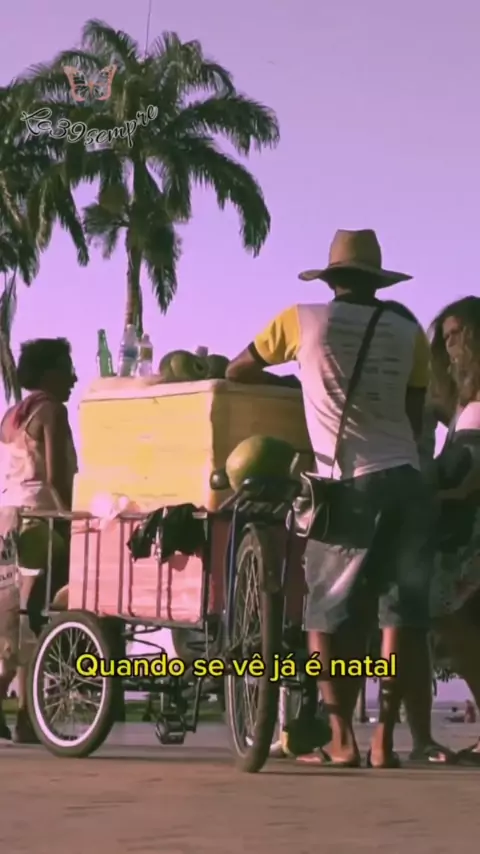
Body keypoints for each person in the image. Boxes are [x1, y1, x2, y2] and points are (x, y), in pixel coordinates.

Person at [226, 228, 434, 768]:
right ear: (377, 282)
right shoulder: (409, 330)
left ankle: (341, 738)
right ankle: (385, 741)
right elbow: (415, 420)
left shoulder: (300, 320)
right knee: (398, 613)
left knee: (325, 614)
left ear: (331, 278)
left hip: (348, 485)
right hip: (407, 481)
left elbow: (237, 369)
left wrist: (301, 382)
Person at [407, 296, 480, 765]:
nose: (451, 345)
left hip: (470, 527)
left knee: (446, 613)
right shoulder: (461, 401)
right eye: (446, 337)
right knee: (454, 618)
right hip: (459, 526)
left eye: (458, 335)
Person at [0, 338, 77, 742]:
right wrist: (69, 523)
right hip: (40, 520)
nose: (74, 378)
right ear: (48, 373)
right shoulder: (52, 411)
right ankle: (29, 717)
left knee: (10, 618)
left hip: (7, 518)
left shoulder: (11, 415)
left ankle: (17, 708)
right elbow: (57, 477)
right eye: (67, 369)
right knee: (39, 616)